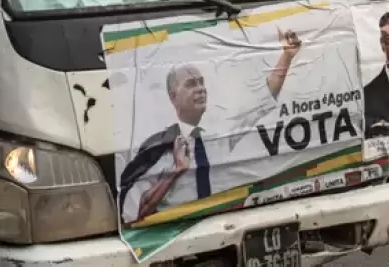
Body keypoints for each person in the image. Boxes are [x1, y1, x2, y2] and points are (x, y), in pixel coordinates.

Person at [119, 30, 302, 224]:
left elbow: (262, 101)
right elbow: (135, 212)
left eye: (201, 82)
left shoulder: (220, 134)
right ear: (173, 97)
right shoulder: (156, 149)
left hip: (225, 224)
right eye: (191, 84)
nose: (200, 88)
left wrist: (286, 57)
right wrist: (176, 171)